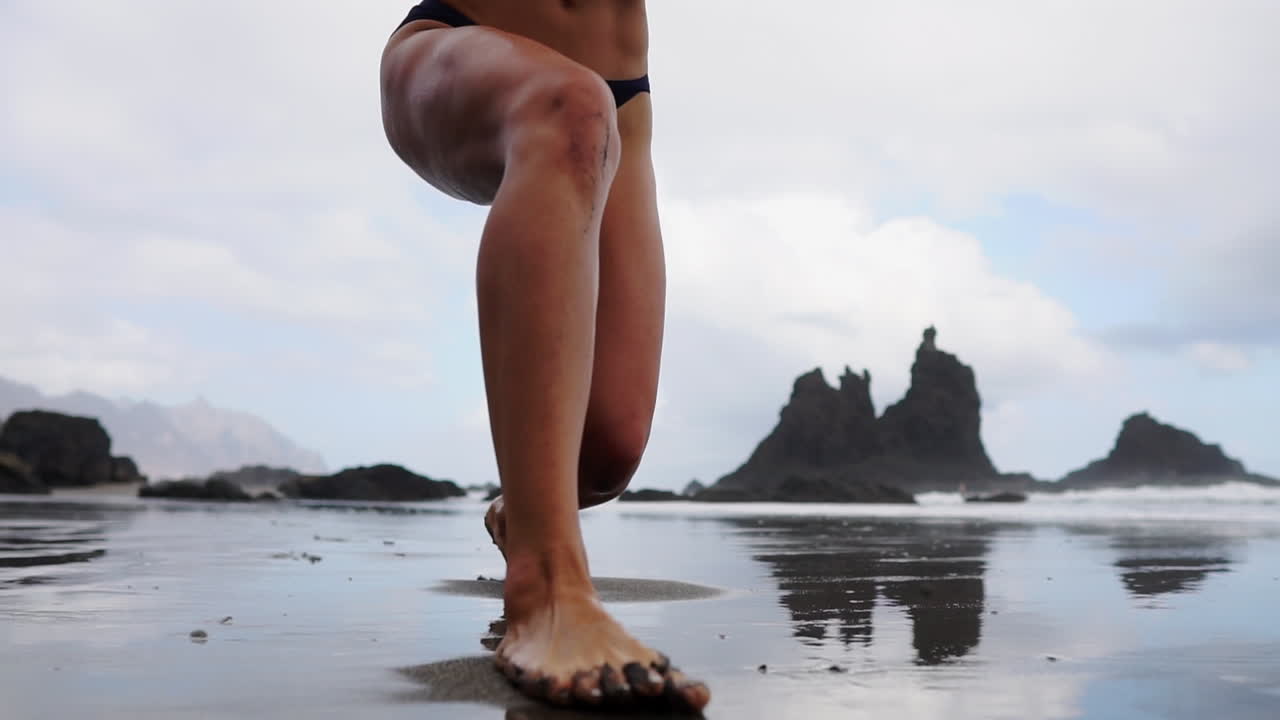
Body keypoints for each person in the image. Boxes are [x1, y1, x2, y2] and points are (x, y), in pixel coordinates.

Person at [379, 0, 710, 711]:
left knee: (609, 451)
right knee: (568, 104)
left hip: (623, 97)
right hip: (456, 40)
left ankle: (525, 513)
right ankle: (546, 586)